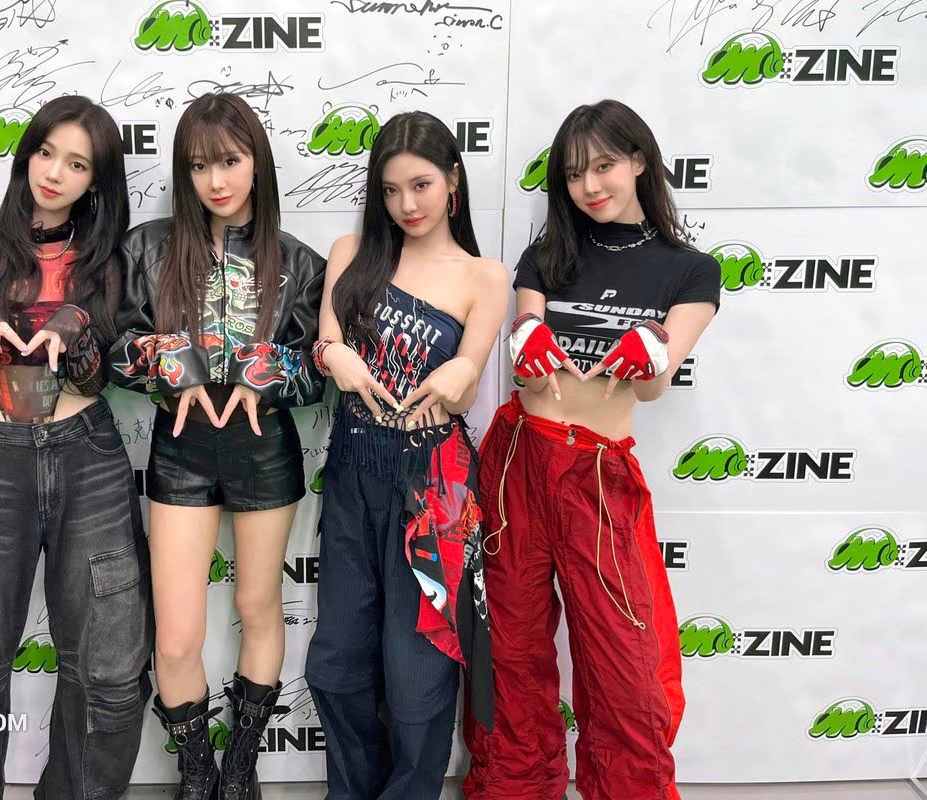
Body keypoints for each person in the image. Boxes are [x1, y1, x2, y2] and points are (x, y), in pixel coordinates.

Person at [462, 99, 720, 800]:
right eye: (575, 174)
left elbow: (654, 390)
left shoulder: (691, 271)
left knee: (624, 663)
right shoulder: (547, 255)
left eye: (604, 166)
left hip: (598, 473)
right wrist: (526, 339)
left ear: (639, 161)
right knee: (509, 649)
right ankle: (514, 788)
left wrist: (653, 348)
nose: (590, 186)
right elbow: (526, 362)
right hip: (519, 460)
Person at [0, 94, 152, 800]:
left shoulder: (108, 259)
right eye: (46, 152)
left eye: (77, 164)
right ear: (27, 153)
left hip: (89, 457)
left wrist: (76, 330)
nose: (54, 172)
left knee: (109, 675)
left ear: (96, 181)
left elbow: (103, 377)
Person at [107, 92, 326, 800]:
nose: (216, 180)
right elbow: (112, 351)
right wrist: (169, 363)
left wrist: (271, 374)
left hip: (265, 450)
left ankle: (240, 770)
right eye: (199, 166)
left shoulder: (301, 262)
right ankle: (196, 771)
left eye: (229, 161)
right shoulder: (147, 248)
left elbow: (321, 370)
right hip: (181, 447)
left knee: (260, 608)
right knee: (175, 637)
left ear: (257, 161)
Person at [305, 110, 507, 799]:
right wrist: (332, 354)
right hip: (353, 470)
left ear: (453, 181)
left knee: (418, 676)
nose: (406, 205)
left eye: (420, 185)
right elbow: (327, 342)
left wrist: (462, 372)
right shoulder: (351, 253)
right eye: (390, 190)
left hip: (433, 488)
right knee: (337, 665)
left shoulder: (484, 275)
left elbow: (469, 382)